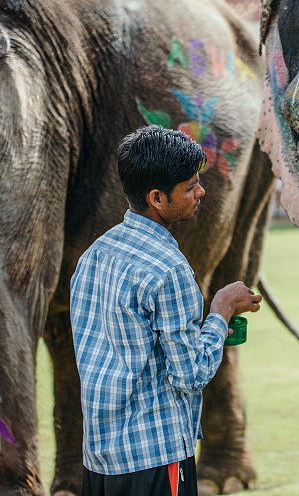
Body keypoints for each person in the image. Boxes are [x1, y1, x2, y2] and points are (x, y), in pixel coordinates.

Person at [70, 125, 261, 496]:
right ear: (157, 198)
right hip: (156, 457)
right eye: (190, 186)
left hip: (99, 457)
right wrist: (220, 312)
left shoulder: (95, 254)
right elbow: (191, 373)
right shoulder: (168, 270)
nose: (201, 191)